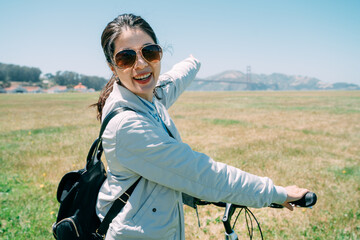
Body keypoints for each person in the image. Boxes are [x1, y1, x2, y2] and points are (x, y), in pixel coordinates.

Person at [94, 13, 309, 240]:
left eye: (150, 52)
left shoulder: (148, 95)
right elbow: (202, 174)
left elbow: (176, 78)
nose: (141, 64)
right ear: (112, 66)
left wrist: (193, 62)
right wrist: (276, 193)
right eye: (126, 58)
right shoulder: (128, 125)